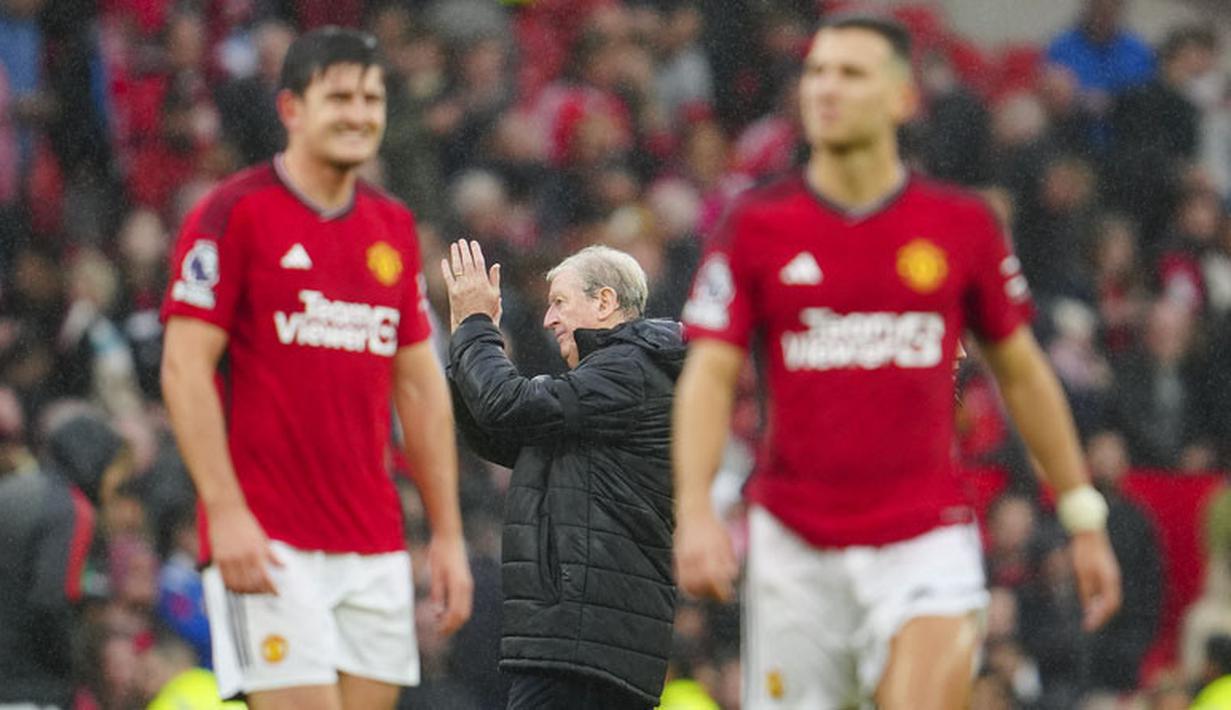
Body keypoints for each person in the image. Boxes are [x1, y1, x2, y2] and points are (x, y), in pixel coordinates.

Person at [672, 15, 1122, 710]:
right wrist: (695, 507)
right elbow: (708, 373)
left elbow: (1024, 374)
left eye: (849, 74)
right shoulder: (755, 225)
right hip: (794, 545)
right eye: (816, 72)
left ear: (901, 97)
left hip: (924, 540)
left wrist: (1081, 514)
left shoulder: (960, 224)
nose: (825, 88)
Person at [160, 27, 472, 710]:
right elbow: (184, 370)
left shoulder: (391, 228)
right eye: (339, 97)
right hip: (269, 540)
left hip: (374, 540)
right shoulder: (233, 213)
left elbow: (419, 387)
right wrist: (225, 512)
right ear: (291, 108)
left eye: (371, 98)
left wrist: (446, 534)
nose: (359, 114)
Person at [441, 240, 685, 709]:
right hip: (585, 636)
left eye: (559, 302)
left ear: (605, 302)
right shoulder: (612, 384)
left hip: (584, 637)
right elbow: (500, 433)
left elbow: (508, 407)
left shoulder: (630, 369)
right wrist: (464, 342)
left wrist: (476, 327)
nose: (548, 319)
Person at [0, 405, 128, 710]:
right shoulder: (71, 508)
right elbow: (52, 599)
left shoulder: (17, 487)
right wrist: (72, 669)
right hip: (27, 684)